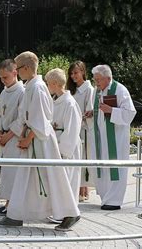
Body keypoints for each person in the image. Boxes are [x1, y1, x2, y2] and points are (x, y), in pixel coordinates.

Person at [0, 51, 80, 232]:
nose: (16, 72)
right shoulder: (31, 86)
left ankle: (71, 213)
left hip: (41, 141)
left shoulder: (38, 87)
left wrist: (27, 139)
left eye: (18, 69)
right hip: (34, 139)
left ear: (26, 68)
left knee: (52, 178)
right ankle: (15, 215)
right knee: (25, 178)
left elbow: (40, 120)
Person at [91, 64, 136, 210]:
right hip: (101, 138)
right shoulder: (97, 92)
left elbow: (130, 113)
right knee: (104, 165)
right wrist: (92, 113)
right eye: (95, 79)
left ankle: (114, 200)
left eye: (98, 79)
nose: (96, 82)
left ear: (108, 78)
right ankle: (105, 197)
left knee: (115, 166)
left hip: (116, 138)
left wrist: (111, 110)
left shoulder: (120, 90)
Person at [45, 68, 82, 223]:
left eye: (48, 84)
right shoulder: (56, 101)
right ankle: (59, 212)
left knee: (68, 180)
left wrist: (62, 151)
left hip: (67, 148)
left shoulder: (70, 104)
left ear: (54, 84)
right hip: (56, 145)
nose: (47, 87)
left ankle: (69, 214)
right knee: (58, 181)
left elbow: (72, 129)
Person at [0, 59, 25, 216]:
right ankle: (7, 203)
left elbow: (22, 118)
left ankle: (12, 204)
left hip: (14, 138)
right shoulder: (4, 92)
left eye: (5, 77)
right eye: (0, 78)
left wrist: (9, 135)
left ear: (15, 73)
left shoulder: (22, 92)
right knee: (6, 172)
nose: (3, 81)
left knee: (13, 172)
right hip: (4, 136)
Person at [67, 61, 95, 202]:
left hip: (82, 129)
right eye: (71, 73)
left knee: (83, 158)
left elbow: (89, 110)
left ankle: (84, 189)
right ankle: (77, 188)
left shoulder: (89, 89)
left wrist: (83, 117)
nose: (73, 76)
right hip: (72, 129)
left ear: (83, 72)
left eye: (76, 73)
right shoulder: (72, 90)